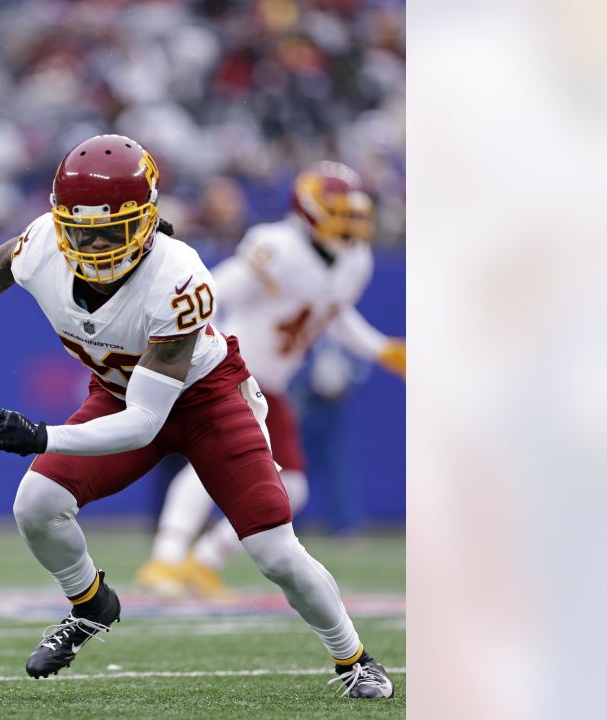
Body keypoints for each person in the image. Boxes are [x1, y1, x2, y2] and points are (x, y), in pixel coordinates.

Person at [0, 136, 393, 699]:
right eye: (79, 229)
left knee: (273, 549)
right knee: (36, 505)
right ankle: (89, 603)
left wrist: (44, 435)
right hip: (118, 390)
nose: (92, 245)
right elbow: (1, 262)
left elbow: (146, 422)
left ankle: (354, 658)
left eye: (111, 230)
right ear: (57, 218)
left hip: (207, 400)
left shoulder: (179, 276)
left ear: (147, 221)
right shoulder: (44, 242)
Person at [135, 161, 406, 599]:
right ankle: (166, 558)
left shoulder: (355, 262)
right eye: (340, 213)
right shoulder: (277, 247)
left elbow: (333, 316)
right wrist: (204, 354)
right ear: (309, 211)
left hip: (271, 386)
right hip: (234, 370)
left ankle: (202, 563)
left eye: (354, 215)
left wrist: (380, 349)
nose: (350, 225)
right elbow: (212, 293)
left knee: (292, 485)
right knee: (212, 468)